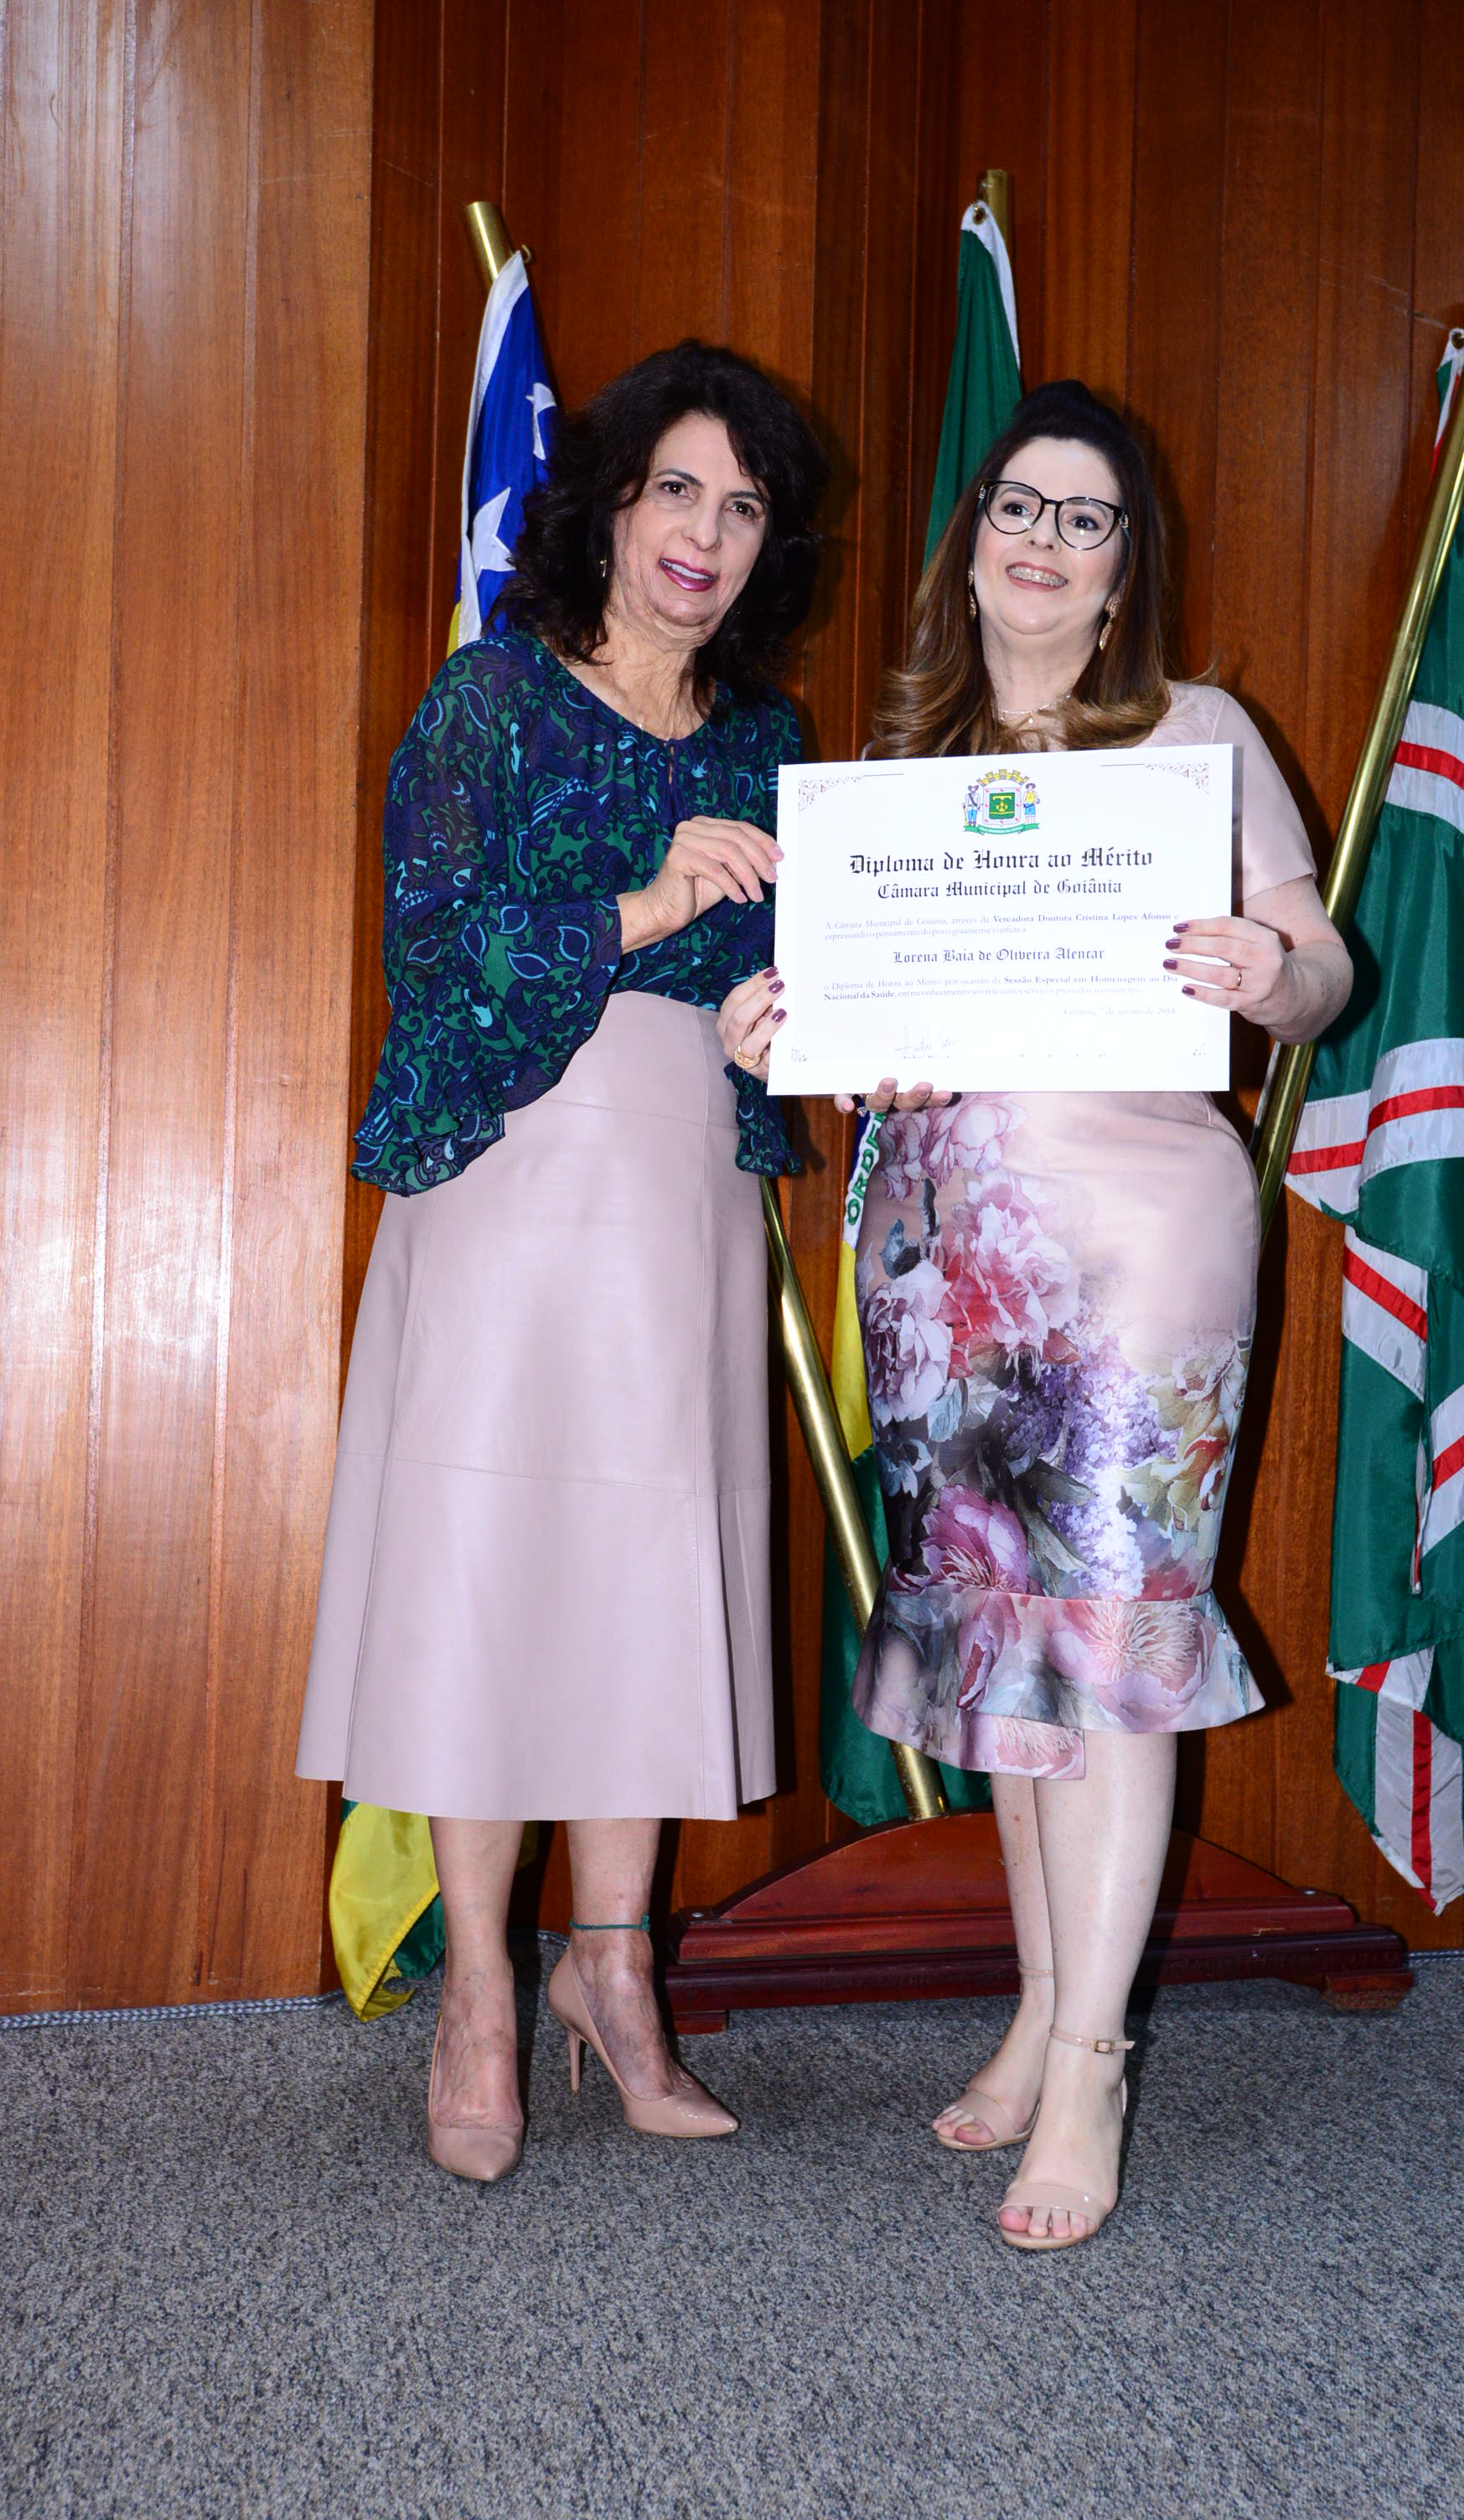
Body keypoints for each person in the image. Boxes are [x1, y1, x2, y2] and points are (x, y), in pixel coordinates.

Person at [295, 340, 825, 2182]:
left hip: (683, 1187)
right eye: (678, 488)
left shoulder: (771, 743)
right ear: (606, 504)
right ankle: (479, 1995)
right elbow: (432, 952)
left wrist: (788, 1024)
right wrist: (648, 902)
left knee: (640, 1575)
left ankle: (616, 1972)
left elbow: (807, 984)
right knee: (491, 1571)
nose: (706, 533)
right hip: (510, 1175)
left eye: (742, 506)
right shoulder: (491, 698)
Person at [846, 380, 1353, 2251]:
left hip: (1138, 1236)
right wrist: (806, 1034)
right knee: (997, 1637)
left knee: (1112, 1637)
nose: (1046, 542)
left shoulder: (1194, 735)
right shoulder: (907, 758)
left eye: (1088, 516)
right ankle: (1036, 2008)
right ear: (970, 537)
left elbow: (1323, 964)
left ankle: (1091, 2065)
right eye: (1019, 506)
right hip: (940, 1243)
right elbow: (852, 1007)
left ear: (1125, 565)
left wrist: (1268, 967)